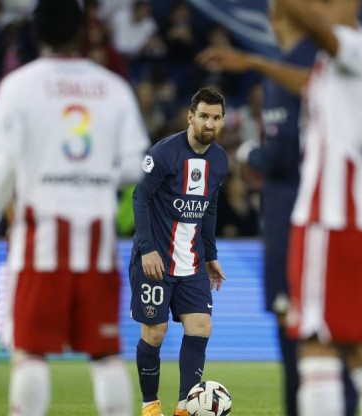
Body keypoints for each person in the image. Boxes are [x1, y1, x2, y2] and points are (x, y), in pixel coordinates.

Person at [0, 1, 149, 415]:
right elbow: (138, 164)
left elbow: (4, 167)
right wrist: (97, 177)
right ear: (82, 33)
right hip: (97, 244)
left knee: (30, 353)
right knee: (104, 354)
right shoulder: (112, 87)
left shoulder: (19, 85)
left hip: (38, 240)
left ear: (35, 33)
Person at [196, 1, 360, 414]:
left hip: (294, 224)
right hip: (337, 218)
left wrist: (248, 155)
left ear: (278, 17)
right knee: (339, 342)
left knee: (297, 341)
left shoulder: (288, 71)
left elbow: (283, 154)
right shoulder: (334, 64)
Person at [276, 0, 362, 415]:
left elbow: (316, 27)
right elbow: (306, 81)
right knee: (359, 349)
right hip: (359, 217)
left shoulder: (352, 45)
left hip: (329, 216)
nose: (320, 8)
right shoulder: (348, 60)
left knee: (316, 341)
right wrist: (253, 63)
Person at [131, 87, 229, 416]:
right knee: (155, 333)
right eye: (204, 116)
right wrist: (146, 249)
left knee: (201, 326)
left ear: (223, 121)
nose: (209, 123)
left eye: (216, 118)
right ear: (191, 117)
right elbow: (139, 198)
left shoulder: (220, 160)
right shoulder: (163, 154)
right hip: (156, 260)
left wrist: (211, 254)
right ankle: (150, 404)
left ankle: (186, 407)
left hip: (193, 261)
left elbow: (210, 207)